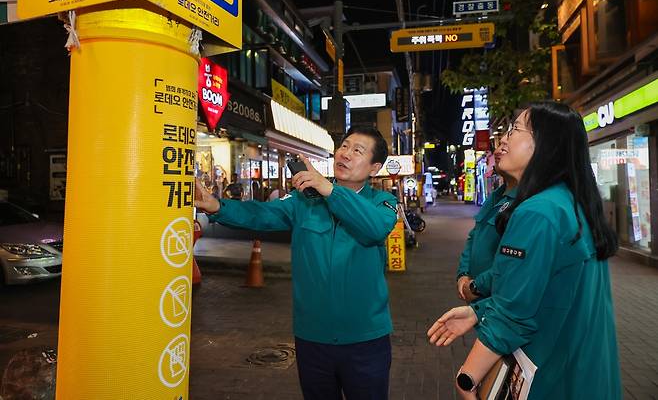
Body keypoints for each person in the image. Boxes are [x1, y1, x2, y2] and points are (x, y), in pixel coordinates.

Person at [427, 102, 621, 399]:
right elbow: (542, 292)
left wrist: (468, 377)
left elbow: (513, 313)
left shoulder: (537, 211)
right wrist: (477, 312)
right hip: (585, 373)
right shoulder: (567, 202)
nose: (503, 139)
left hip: (553, 375)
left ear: (546, 146)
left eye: (515, 129)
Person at [195, 126, 398, 399]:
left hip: (366, 340)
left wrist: (329, 190)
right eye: (344, 146)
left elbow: (374, 228)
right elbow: (262, 214)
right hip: (312, 338)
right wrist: (218, 207)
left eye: (357, 151)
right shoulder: (305, 201)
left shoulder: (383, 202)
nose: (346, 154)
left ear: (374, 168)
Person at [455, 143, 517, 303]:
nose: (498, 150)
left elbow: (512, 263)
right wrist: (463, 275)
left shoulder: (530, 203)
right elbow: (473, 237)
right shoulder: (496, 196)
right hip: (484, 308)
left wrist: (476, 287)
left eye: (511, 138)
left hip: (503, 304)